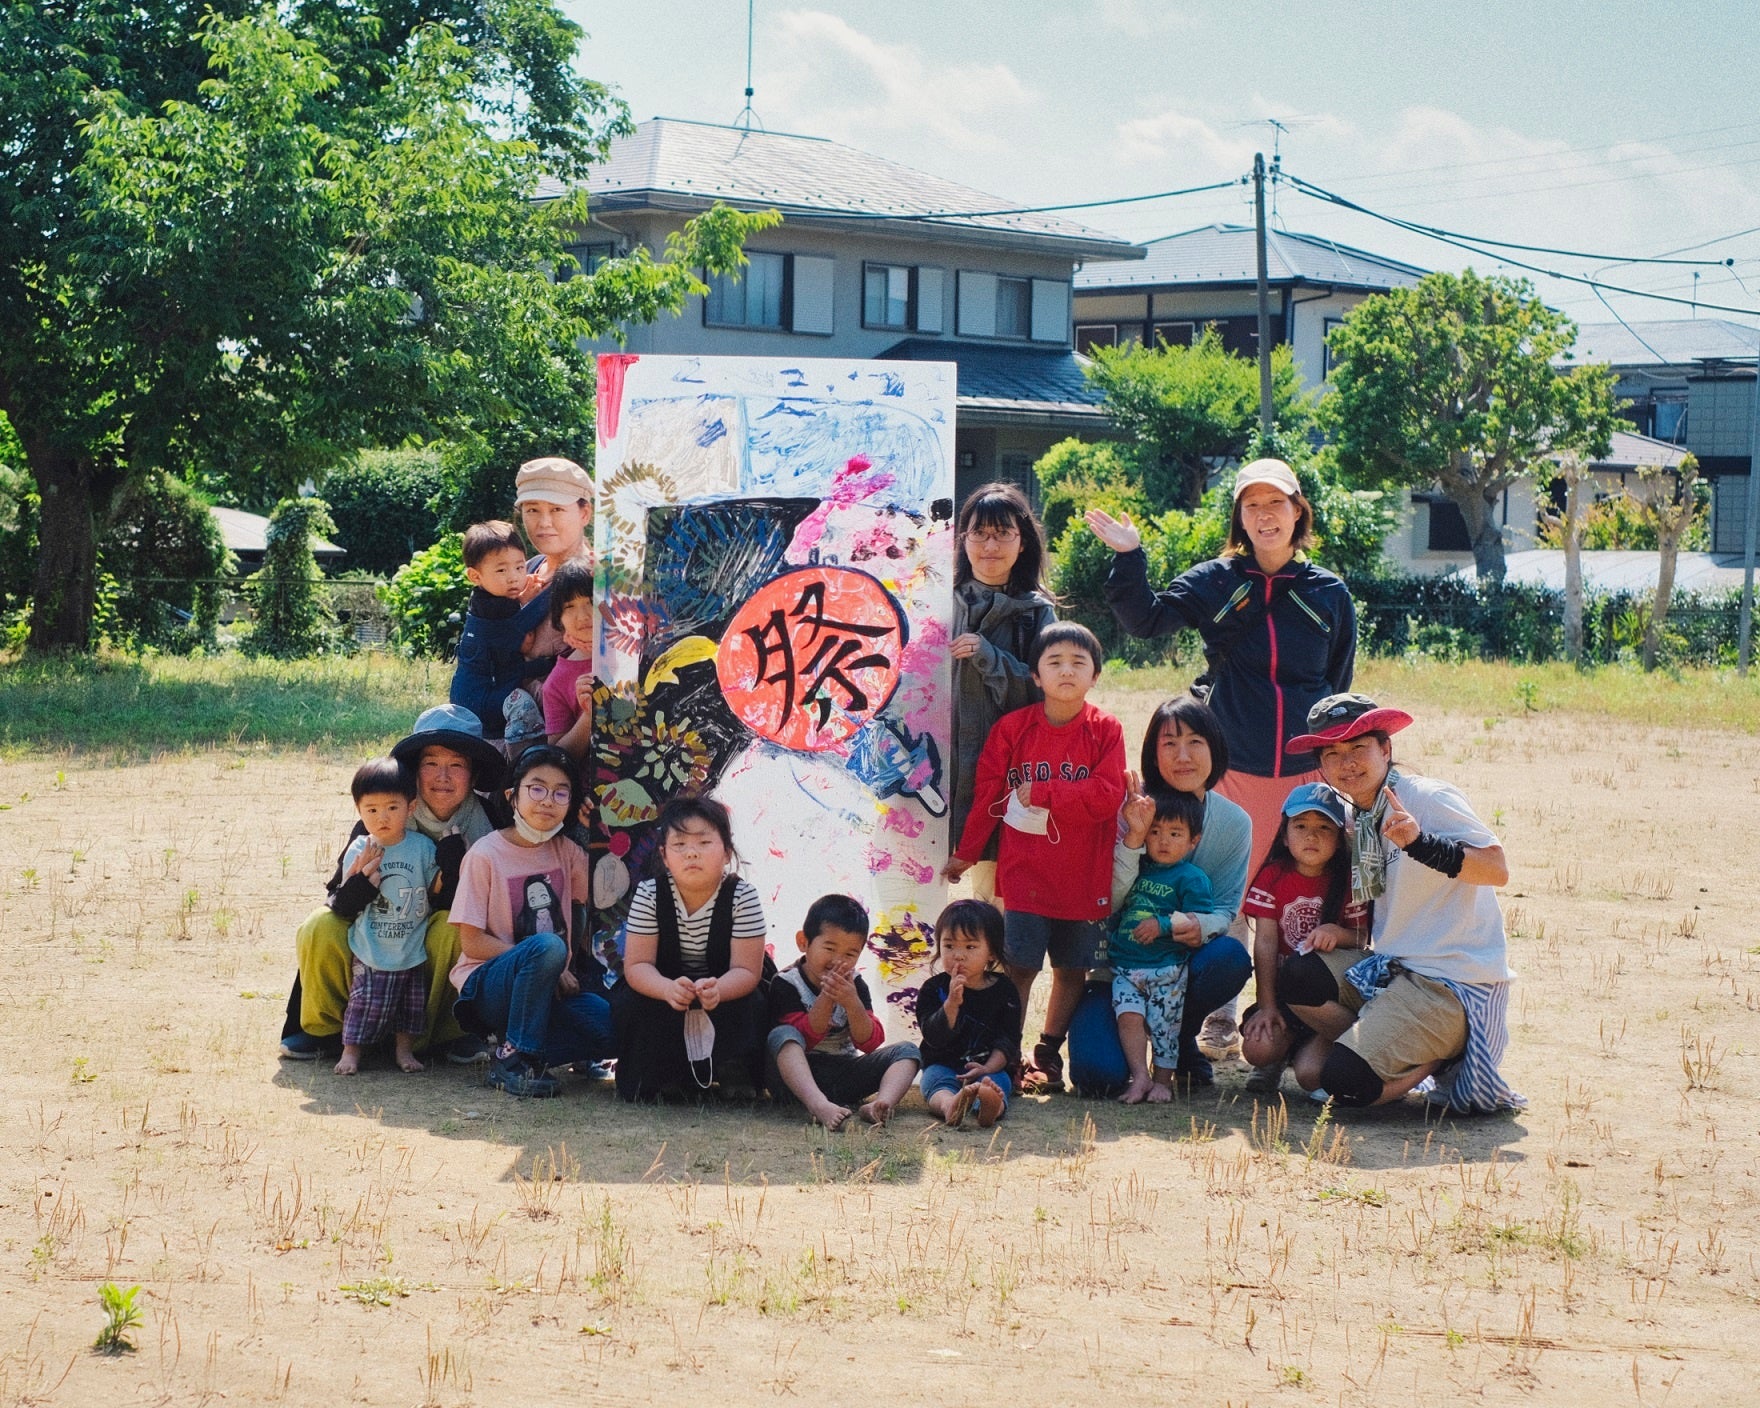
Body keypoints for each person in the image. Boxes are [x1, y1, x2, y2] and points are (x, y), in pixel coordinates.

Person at [1086, 458, 1357, 1059]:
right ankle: (1217, 1016)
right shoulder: (1215, 580)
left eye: (1277, 503)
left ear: (1298, 512)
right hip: (1232, 770)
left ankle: (1296, 1016)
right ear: (1239, 516)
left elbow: (1338, 686)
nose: (1265, 515)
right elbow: (1145, 618)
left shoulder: (1329, 593)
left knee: (1304, 891)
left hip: (1306, 774)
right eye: (1252, 505)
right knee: (1222, 893)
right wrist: (1130, 557)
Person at [1275, 694, 1525, 1114]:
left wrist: (1422, 845)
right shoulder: (1359, 815)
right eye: (1332, 754)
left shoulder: (1425, 797)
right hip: (1392, 970)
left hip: (1447, 984)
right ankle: (1379, 1040)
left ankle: (1443, 1057)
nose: (1347, 763)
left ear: (1386, 749)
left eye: (1358, 749)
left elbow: (1496, 869)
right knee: (1298, 979)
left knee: (1340, 1082)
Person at [943, 622, 1125, 1094]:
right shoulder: (1013, 730)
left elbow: (1108, 795)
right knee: (1020, 967)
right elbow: (987, 795)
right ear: (1036, 676)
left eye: (1078, 663)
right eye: (1055, 662)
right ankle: (1007, 1054)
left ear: (1096, 676)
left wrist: (1045, 791)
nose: (1067, 671)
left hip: (1084, 876)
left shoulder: (1106, 730)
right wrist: (966, 853)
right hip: (1024, 874)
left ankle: (1047, 1052)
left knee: (1071, 970)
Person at [279, 704, 507, 1064]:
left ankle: (444, 1035)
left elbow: (495, 909)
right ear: (413, 772)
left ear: (474, 774)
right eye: (431, 763)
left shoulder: (489, 824)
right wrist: (356, 891)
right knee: (318, 927)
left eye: (457, 765)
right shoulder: (382, 817)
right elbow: (337, 901)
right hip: (373, 935)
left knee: (455, 931)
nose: (442, 776)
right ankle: (327, 1032)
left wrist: (453, 875)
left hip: (426, 942)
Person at [449, 745, 610, 1098]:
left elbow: (597, 895)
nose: (547, 800)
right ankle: (513, 1059)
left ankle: (527, 1050)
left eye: (560, 792)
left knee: (611, 1029)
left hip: (548, 988)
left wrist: (594, 830)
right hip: (489, 987)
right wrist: (545, 962)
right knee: (548, 946)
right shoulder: (484, 855)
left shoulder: (567, 851)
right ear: (512, 796)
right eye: (536, 788)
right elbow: (472, 943)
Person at [1112, 696, 1254, 1088]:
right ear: (1153, 754)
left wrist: (1200, 924)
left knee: (1229, 957)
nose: (1183, 756)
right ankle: (1143, 1045)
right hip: (1123, 959)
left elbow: (1226, 908)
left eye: (1195, 742)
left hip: (1180, 961)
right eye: (1169, 743)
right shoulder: (1131, 808)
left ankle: (1177, 1039)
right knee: (1098, 1074)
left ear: (1215, 748)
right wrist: (1134, 840)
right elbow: (1108, 902)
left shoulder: (1233, 822)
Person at [612, 797, 769, 1103]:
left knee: (756, 1001)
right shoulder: (649, 894)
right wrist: (667, 989)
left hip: (726, 987)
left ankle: (734, 1067)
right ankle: (665, 1076)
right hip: (666, 985)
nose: (691, 852)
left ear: (726, 852)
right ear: (664, 855)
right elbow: (637, 966)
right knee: (632, 1002)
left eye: (704, 842)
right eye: (680, 844)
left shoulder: (743, 896)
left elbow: (748, 971)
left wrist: (718, 990)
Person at [947, 482, 1056, 906]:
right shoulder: (934, 600)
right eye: (979, 533)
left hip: (1003, 775)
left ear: (1023, 540)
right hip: (930, 769)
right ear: (963, 539)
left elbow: (1045, 694)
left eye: (1003, 533)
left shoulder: (1037, 612)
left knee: (991, 902)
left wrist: (989, 656)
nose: (990, 545)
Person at [1238, 783, 1368, 1096]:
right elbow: (1266, 944)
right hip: (1283, 994)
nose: (1312, 836)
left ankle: (1328, 1042)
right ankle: (1277, 1057)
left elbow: (1361, 940)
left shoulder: (1349, 881)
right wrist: (1267, 1006)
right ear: (1284, 834)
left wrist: (1337, 933)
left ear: (1340, 839)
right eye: (1301, 826)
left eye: (1324, 827)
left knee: (1311, 1076)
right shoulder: (1273, 876)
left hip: (1325, 1001)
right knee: (1257, 1048)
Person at [766, 894, 922, 1129]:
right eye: (829, 948)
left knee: (908, 1051)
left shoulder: (855, 984)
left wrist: (852, 1003)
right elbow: (806, 1037)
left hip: (844, 1071)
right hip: (796, 1078)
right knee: (781, 1036)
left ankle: (881, 1104)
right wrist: (827, 997)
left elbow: (869, 1042)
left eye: (850, 954)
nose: (838, 961)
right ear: (804, 942)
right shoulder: (787, 982)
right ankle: (818, 1106)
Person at [330, 758, 441, 1076]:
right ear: (359, 810)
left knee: (411, 1005)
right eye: (372, 809)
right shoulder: (359, 848)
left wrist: (451, 860)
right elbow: (345, 894)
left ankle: (403, 1050)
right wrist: (359, 874)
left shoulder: (422, 847)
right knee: (364, 1002)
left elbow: (435, 885)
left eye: (392, 808)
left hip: (411, 944)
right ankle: (351, 1051)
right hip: (372, 945)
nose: (382, 818)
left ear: (411, 807)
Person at [1106, 791, 1213, 1104]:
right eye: (1156, 832)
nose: (1163, 841)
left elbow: (1198, 918)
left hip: (1166, 967)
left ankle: (1163, 1081)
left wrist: (1163, 925)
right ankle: (1139, 1075)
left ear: (1193, 840)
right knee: (1128, 1017)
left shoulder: (1192, 878)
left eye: (1175, 833)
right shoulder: (1138, 867)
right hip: (1125, 966)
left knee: (1165, 1025)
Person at [915, 900, 1023, 1128]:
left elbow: (1008, 1039)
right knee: (933, 1082)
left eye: (970, 947)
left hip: (987, 1067)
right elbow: (933, 1037)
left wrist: (988, 1068)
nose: (958, 955)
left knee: (997, 1082)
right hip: (942, 1064)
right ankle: (949, 1106)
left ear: (992, 952)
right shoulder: (933, 989)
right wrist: (951, 1004)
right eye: (949, 946)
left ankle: (989, 1107)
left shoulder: (1005, 990)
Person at [448, 520, 554, 746]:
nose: (514, 577)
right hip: (481, 701)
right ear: (475, 576)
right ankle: (523, 758)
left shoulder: (486, 601)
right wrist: (558, 583)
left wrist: (523, 598)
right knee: (522, 703)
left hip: (474, 694)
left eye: (519, 567)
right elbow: (525, 621)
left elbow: (505, 653)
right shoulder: (491, 609)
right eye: (501, 570)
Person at [513, 456, 594, 663]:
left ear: (585, 514)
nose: (544, 523)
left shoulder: (600, 579)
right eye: (532, 510)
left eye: (557, 509)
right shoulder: (525, 571)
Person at [541, 558, 596, 763]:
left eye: (591, 601)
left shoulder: (637, 650)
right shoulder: (556, 683)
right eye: (569, 606)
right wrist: (589, 717)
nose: (582, 616)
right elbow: (558, 758)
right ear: (558, 619)